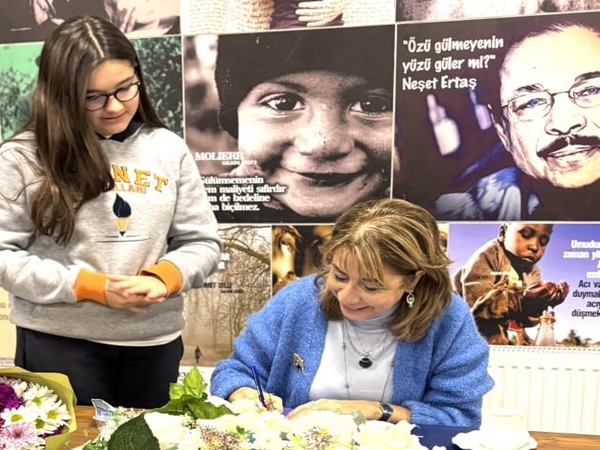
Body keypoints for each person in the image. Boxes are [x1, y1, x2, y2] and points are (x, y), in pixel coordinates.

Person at [0, 16, 221, 408]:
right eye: (93, 97)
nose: (115, 106)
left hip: (153, 344)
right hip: (60, 346)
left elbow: (202, 242)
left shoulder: (167, 148)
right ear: (61, 94)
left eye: (125, 88)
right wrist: (89, 287)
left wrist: (166, 277)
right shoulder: (23, 157)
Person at [210, 198, 494, 427]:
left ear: (413, 279)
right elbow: (233, 371)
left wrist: (374, 411)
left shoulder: (447, 319)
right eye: (340, 276)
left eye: (371, 286)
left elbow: (459, 418)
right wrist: (243, 393)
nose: (347, 297)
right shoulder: (298, 300)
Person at [214, 26, 393, 222]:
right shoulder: (195, 212)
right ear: (236, 121)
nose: (324, 145)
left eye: (371, 105)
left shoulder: (424, 210)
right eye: (284, 103)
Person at [434, 15, 600, 220]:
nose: (563, 123)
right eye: (531, 103)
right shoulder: (465, 215)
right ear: (503, 131)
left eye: (591, 90)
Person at [453, 223, 568, 345]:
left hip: (496, 326)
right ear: (503, 233)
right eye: (526, 235)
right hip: (458, 323)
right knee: (495, 338)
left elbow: (524, 319)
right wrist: (520, 300)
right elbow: (479, 309)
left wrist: (541, 304)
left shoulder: (533, 271)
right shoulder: (488, 255)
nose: (535, 246)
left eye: (543, 241)